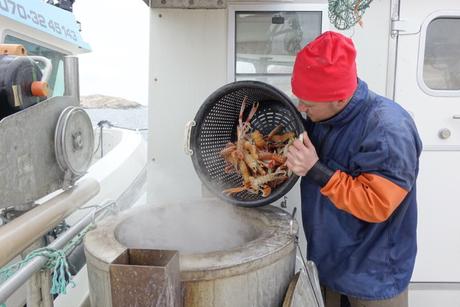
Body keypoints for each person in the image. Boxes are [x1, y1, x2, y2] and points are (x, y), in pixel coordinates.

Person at [286, 31, 422, 307]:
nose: (302, 108)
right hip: (330, 262)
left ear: (339, 98)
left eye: (308, 104)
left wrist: (316, 170)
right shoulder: (323, 116)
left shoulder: (387, 130)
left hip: (374, 276)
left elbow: (377, 204)